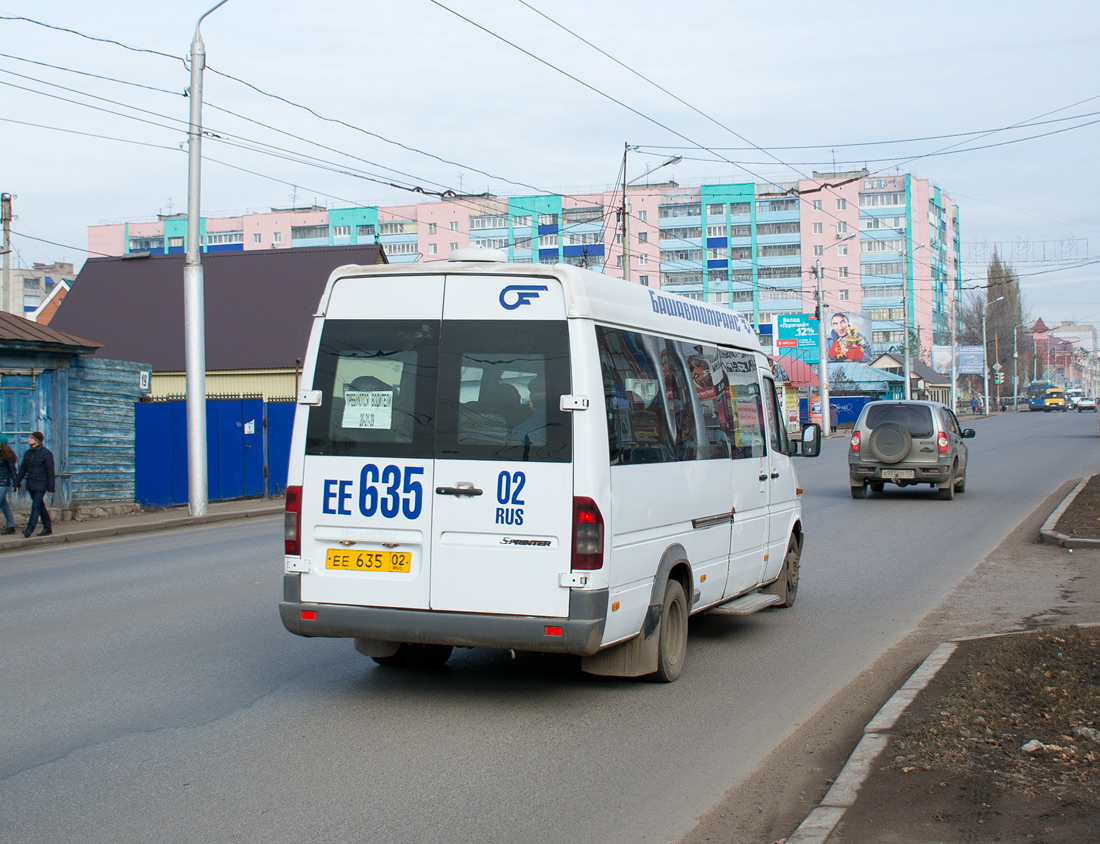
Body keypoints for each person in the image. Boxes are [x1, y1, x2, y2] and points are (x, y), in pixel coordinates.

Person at [16, 430, 55, 538]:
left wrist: (51, 487)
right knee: (40, 506)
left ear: (36, 441)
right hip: (31, 484)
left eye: (31, 438)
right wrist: (16, 482)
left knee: (36, 506)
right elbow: (23, 469)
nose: (28, 439)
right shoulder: (28, 453)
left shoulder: (46, 454)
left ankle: (29, 529)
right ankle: (48, 528)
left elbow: (50, 471)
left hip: (41, 484)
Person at [0, 434, 17, 535]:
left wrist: (16, 483)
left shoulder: (7, 454)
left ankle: (11, 526)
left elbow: (13, 471)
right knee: (4, 505)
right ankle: (11, 526)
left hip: (3, 483)